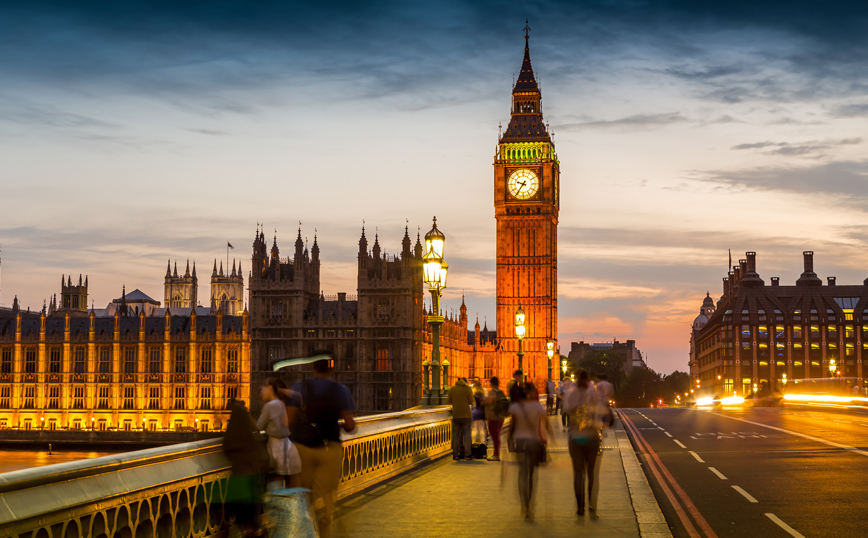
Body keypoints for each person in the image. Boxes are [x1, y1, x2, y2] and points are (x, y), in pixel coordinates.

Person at [286, 354, 355, 538]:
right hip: (329, 446)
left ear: (313, 368)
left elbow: (289, 422)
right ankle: (327, 516)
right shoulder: (340, 390)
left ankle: (306, 524)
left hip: (305, 447)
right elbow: (349, 425)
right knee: (328, 487)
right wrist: (336, 424)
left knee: (305, 489)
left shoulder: (299, 387)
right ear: (331, 368)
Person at [223, 399, 268, 534]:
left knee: (237, 515)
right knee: (249, 517)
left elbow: (226, 449)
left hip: (238, 481)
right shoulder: (251, 441)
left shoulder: (232, 437)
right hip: (251, 483)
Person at [564, 370, 605, 516]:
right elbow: (601, 414)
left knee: (578, 474)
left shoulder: (571, 394)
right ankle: (592, 506)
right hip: (592, 437)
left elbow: (567, 412)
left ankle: (580, 507)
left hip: (576, 438)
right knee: (592, 474)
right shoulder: (594, 394)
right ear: (587, 380)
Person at [508, 382, 549, 519]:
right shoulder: (537, 406)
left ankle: (524, 504)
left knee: (522, 474)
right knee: (531, 475)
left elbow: (512, 426)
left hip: (520, 442)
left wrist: (508, 441)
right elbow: (545, 424)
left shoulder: (515, 406)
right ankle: (529, 504)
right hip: (533, 443)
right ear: (531, 393)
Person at [257, 378, 300, 488]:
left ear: (270, 388)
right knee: (290, 488)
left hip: (276, 451)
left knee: (275, 488)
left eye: (262, 388)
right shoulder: (281, 403)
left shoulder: (269, 406)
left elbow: (258, 426)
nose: (261, 391)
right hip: (289, 448)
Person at [483, 376, 509, 461]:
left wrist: (483, 401)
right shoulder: (501, 392)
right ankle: (496, 454)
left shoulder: (493, 392)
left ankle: (496, 455)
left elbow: (489, 401)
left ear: (491, 383)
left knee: (495, 436)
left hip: (494, 417)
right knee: (497, 435)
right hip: (501, 416)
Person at [447, 376, 474, 460]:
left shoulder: (452, 389)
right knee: (467, 435)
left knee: (455, 435)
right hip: (466, 415)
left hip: (456, 415)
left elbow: (448, 401)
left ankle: (455, 454)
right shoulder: (468, 389)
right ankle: (467, 454)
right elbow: (471, 401)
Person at [471, 378, 487, 444]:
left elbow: (472, 403)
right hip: (481, 412)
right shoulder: (483, 391)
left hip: (474, 412)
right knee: (481, 429)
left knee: (474, 429)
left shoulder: (473, 392)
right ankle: (483, 443)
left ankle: (473, 442)